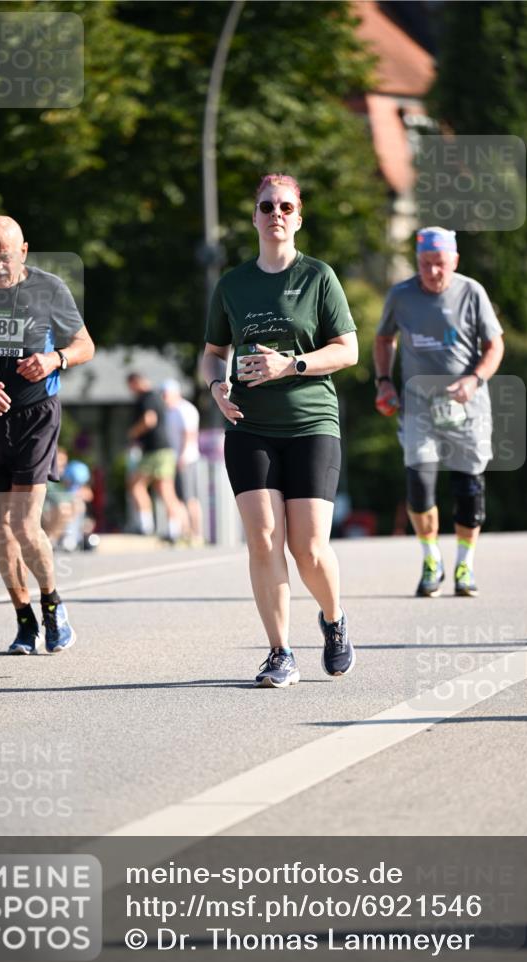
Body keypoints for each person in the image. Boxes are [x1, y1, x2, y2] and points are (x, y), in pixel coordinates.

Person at [201, 172, 358, 689]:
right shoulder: (233, 284)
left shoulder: (318, 277)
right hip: (250, 426)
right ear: (254, 217)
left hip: (312, 422)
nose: (276, 216)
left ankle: (333, 622)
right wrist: (217, 388)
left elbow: (347, 351)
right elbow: (213, 354)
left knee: (309, 548)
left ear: (299, 216)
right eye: (267, 207)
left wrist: (289, 365)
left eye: (286, 207)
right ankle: (280, 652)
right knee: (264, 539)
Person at [0, 215, 95, 652]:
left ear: (23, 251)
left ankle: (53, 605)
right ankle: (24, 620)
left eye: (5, 257)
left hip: (35, 416)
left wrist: (55, 360)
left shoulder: (48, 288)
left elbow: (86, 345)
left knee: (25, 525)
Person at [373, 226, 505, 597]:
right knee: (420, 486)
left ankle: (465, 565)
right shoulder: (401, 295)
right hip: (419, 408)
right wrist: (383, 380)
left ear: (455, 261)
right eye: (425, 264)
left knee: (468, 488)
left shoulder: (471, 291)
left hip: (467, 406)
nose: (432, 272)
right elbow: (384, 338)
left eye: (440, 264)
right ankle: (431, 559)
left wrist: (474, 379)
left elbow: (495, 345)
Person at [125, 373, 188, 541]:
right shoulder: (157, 397)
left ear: (135, 382)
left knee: (137, 486)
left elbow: (149, 420)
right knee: (164, 490)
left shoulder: (146, 397)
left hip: (155, 450)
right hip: (163, 450)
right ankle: (172, 530)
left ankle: (146, 525)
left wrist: (133, 433)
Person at [161, 378, 204, 546]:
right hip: (173, 459)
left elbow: (189, 434)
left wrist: (183, 456)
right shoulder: (169, 411)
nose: (164, 398)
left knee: (190, 497)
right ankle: (185, 532)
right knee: (178, 498)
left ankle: (196, 534)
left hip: (187, 459)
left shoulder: (185, 409)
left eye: (166, 395)